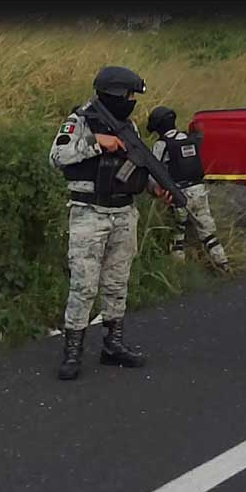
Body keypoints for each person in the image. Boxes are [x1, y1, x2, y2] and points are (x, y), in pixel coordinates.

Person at [49, 66, 156, 380]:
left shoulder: (128, 125)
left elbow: (135, 164)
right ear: (114, 93)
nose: (132, 101)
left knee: (116, 282)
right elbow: (57, 156)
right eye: (129, 95)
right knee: (83, 285)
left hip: (123, 212)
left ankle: (113, 345)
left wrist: (155, 187)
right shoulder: (80, 121)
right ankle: (72, 353)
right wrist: (97, 143)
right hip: (89, 213)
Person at [146, 106, 229, 270]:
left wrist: (153, 189)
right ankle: (223, 264)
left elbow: (153, 170)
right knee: (208, 232)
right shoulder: (188, 138)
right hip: (199, 190)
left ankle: (179, 270)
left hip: (178, 194)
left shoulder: (162, 144)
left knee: (177, 233)